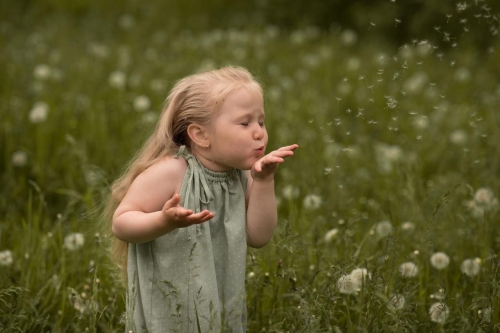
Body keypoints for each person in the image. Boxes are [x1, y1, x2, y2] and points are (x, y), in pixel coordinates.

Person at [108, 66, 298, 332]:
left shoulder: (243, 175)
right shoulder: (170, 171)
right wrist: (164, 221)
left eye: (261, 121)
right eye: (245, 123)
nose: (259, 133)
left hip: (218, 298)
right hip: (168, 303)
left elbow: (258, 236)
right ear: (201, 135)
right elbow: (122, 223)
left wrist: (264, 181)